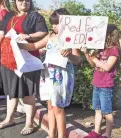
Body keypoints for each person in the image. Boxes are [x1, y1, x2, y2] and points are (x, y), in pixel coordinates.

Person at [0, 0, 48, 135]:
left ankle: (29, 122)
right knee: (11, 92)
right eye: (21, 0)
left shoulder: (35, 16)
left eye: (27, 0)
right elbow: (0, 33)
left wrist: (28, 35)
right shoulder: (9, 15)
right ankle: (9, 118)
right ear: (15, 1)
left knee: (27, 92)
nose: (24, 2)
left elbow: (43, 33)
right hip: (8, 59)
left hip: (27, 60)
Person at [19, 8, 82, 138]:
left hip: (60, 76)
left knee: (58, 108)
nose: (55, 26)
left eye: (58, 22)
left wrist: (69, 54)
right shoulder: (50, 36)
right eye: (53, 23)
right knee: (50, 107)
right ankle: (51, 134)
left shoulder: (72, 38)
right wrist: (19, 43)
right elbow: (34, 46)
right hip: (47, 75)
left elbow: (77, 60)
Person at [82, 24, 121, 138]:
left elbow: (107, 67)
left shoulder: (114, 50)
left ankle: (108, 135)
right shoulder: (101, 48)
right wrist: (86, 54)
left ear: (110, 35)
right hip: (97, 84)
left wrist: (94, 58)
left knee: (107, 112)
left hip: (106, 85)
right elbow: (92, 65)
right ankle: (96, 132)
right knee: (98, 110)